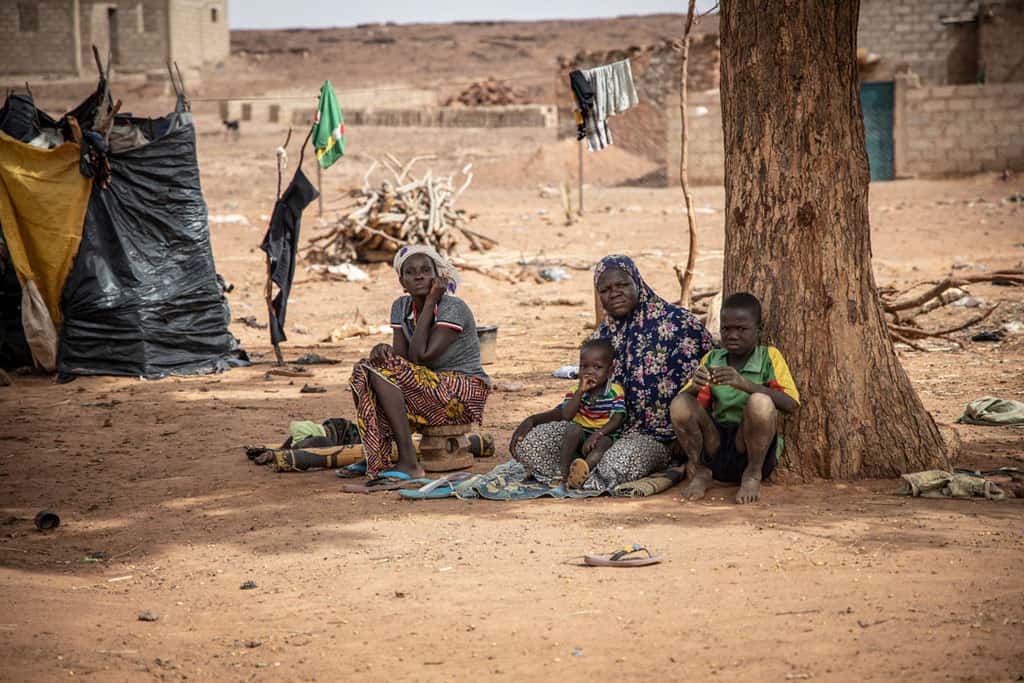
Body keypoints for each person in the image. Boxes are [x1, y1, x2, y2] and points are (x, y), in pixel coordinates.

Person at [512, 255, 713, 492]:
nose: (614, 293)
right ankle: (578, 472)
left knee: (616, 464)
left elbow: (711, 381)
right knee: (530, 445)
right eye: (605, 289)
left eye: (622, 285)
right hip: (596, 430)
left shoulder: (680, 325)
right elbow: (584, 397)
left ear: (638, 282)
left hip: (657, 440)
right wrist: (534, 419)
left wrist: (686, 437)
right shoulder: (601, 338)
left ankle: (586, 472)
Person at [349, 245, 490, 479]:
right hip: (430, 388)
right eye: (410, 272)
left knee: (380, 371)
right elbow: (402, 362)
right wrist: (382, 351)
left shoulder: (453, 307)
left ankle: (408, 462)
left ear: (438, 277)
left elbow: (421, 357)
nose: (419, 275)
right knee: (364, 371)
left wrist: (432, 300)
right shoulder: (401, 306)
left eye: (426, 270)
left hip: (464, 390)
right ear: (402, 282)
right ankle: (377, 457)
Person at [670, 292, 799, 504]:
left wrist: (745, 384)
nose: (733, 335)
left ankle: (752, 475)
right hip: (716, 444)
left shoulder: (769, 357)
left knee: (760, 402)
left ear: (758, 330)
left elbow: (790, 403)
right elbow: (688, 407)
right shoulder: (713, 358)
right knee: (680, 403)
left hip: (749, 446)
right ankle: (700, 470)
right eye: (726, 329)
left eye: (741, 329)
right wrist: (695, 386)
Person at [511, 338, 626, 489]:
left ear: (609, 371)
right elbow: (566, 415)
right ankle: (563, 473)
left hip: (602, 434)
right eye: (584, 367)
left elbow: (618, 418)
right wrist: (580, 391)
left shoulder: (614, 391)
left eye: (597, 367)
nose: (590, 371)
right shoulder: (576, 391)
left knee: (605, 443)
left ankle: (583, 470)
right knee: (573, 429)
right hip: (580, 434)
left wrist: (598, 434)